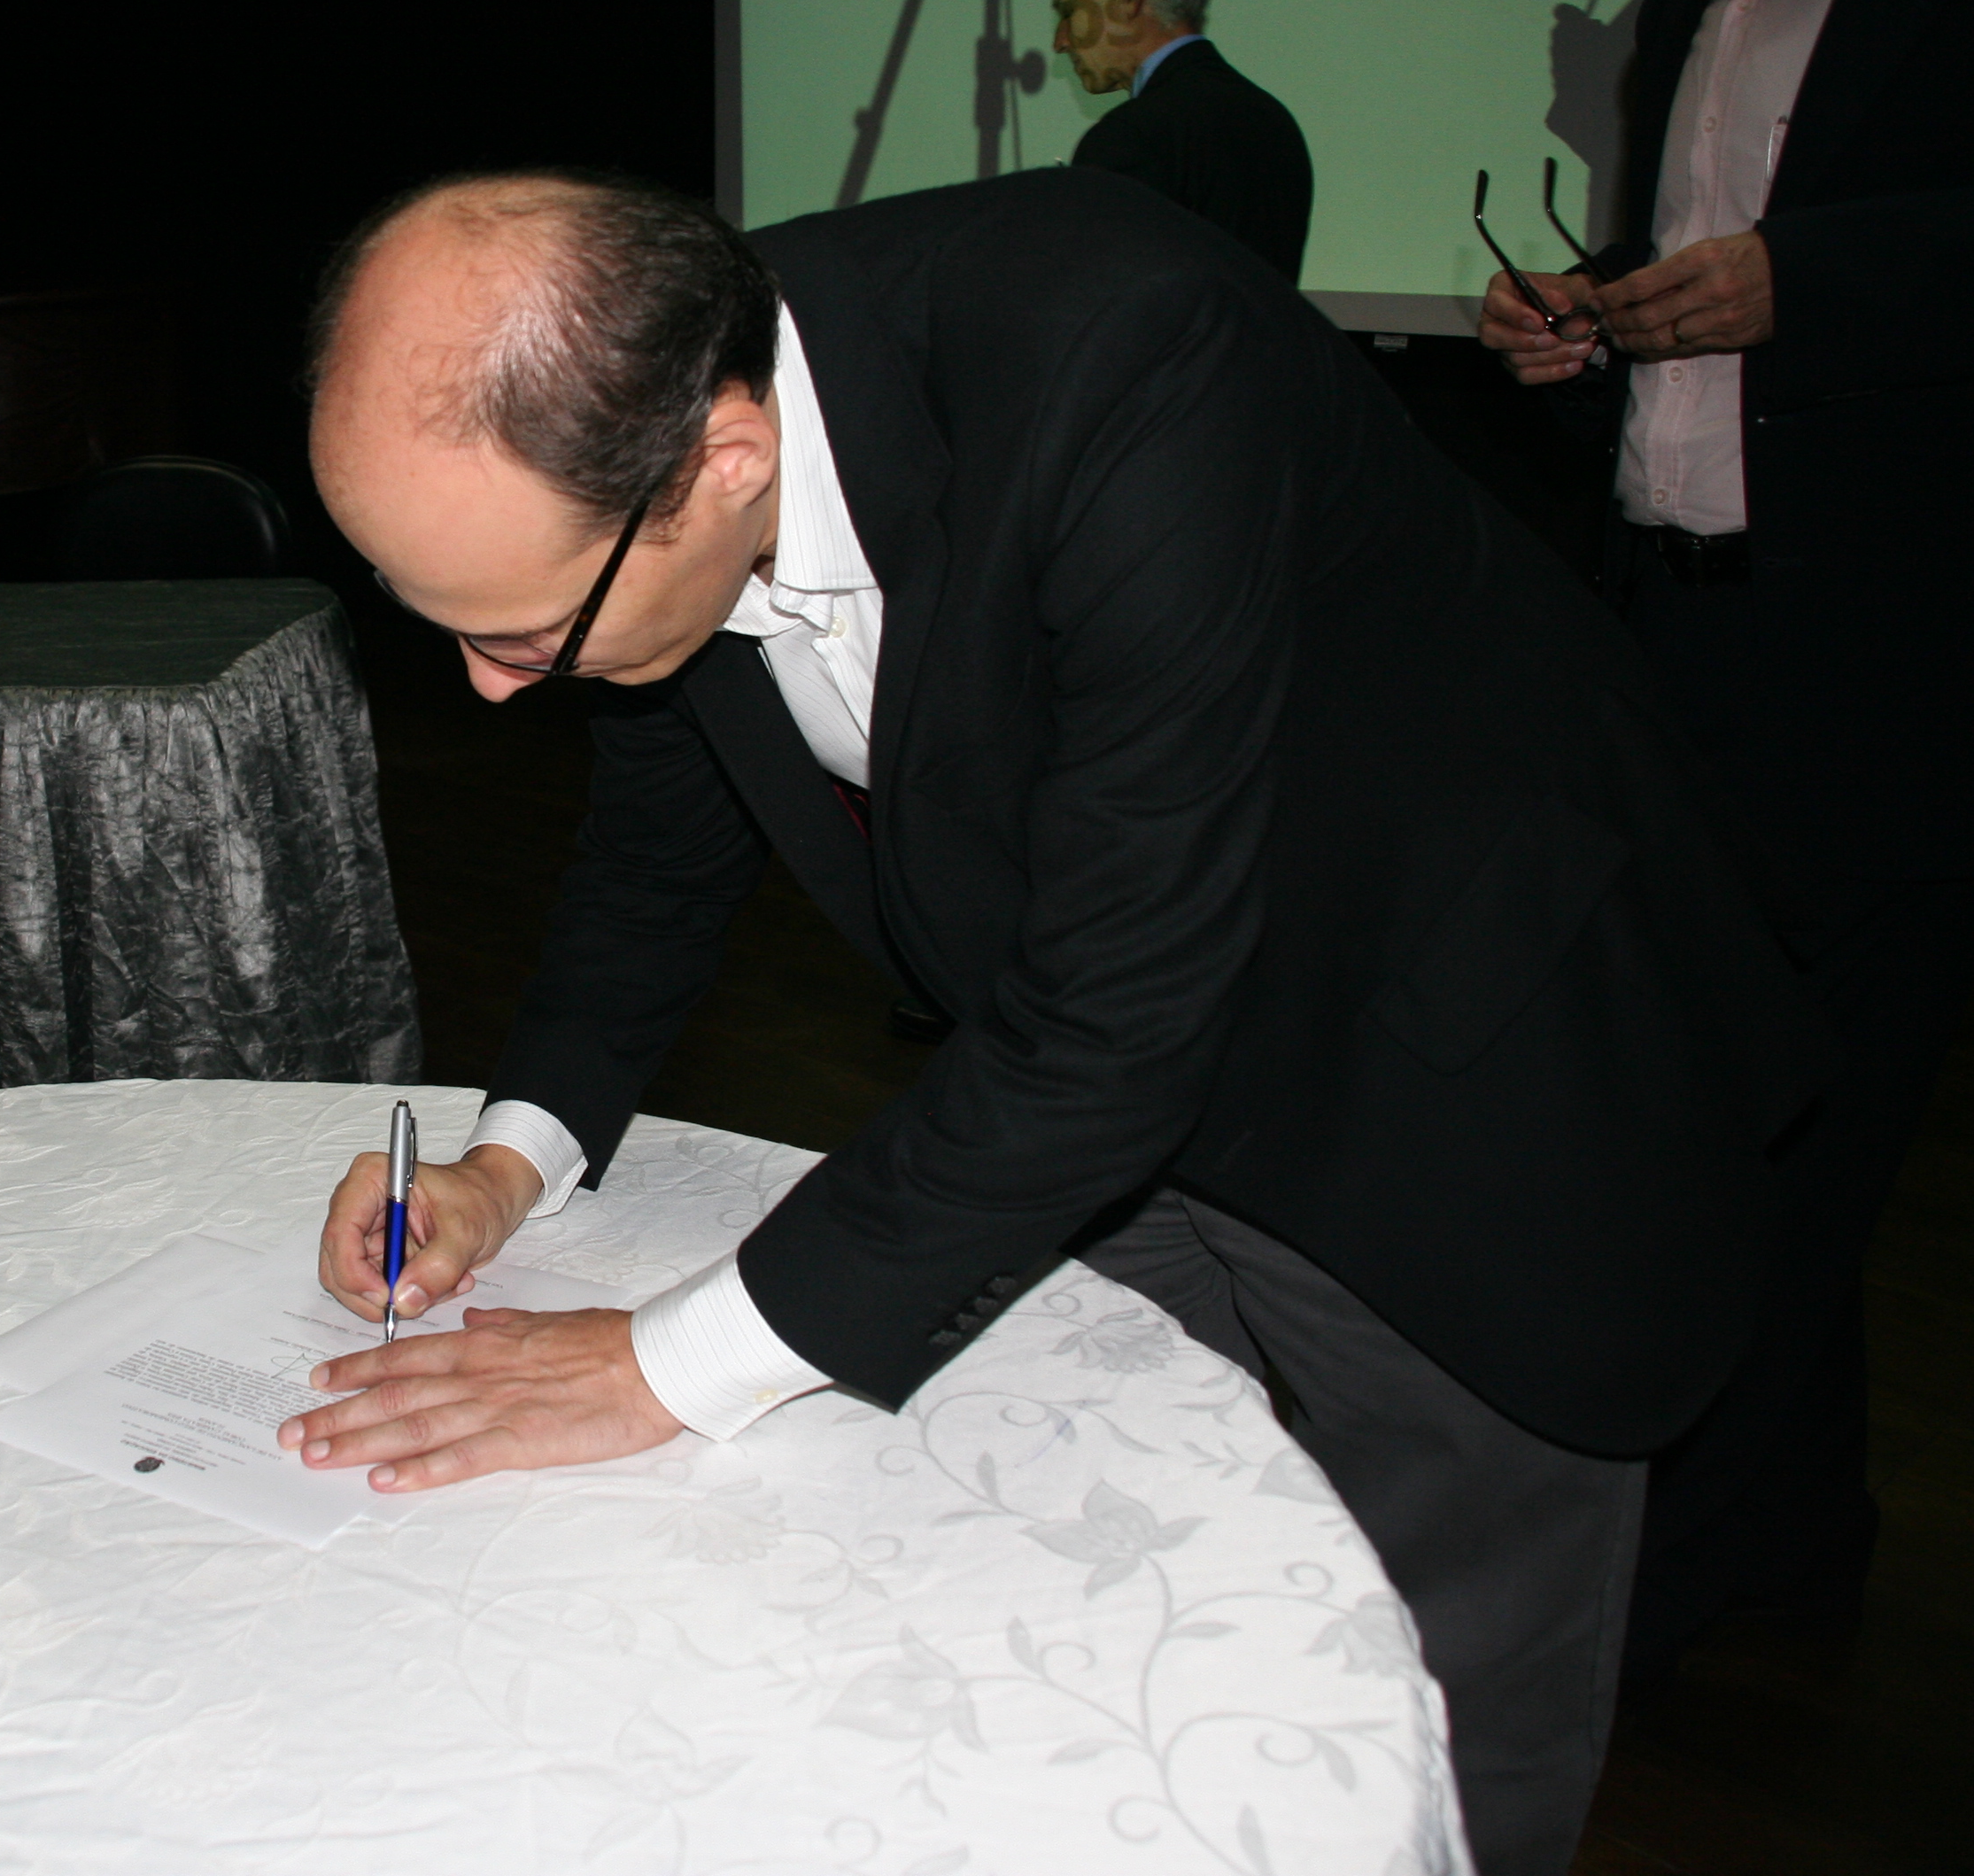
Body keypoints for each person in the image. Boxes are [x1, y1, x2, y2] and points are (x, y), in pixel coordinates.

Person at [281, 167, 1823, 1876]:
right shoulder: (645, 400)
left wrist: (658, 1364)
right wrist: (507, 1164)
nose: (492, 688)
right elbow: (657, 856)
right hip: (1103, 1045)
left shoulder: (1123, 352)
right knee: (1073, 1548)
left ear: (724, 459)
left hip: (1455, 1046)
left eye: (519, 631)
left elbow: (1115, 1018)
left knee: (1438, 1687)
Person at [1476, 0, 1970, 1685]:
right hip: (1678, 635)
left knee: (1773, 1134)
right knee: (1736, 1110)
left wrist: (1807, 283)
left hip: (1880, 660)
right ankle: (1788, 1549)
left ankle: (1674, 1578)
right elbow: (1690, 284)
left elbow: (1821, 265)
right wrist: (1580, 317)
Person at [1045, 0, 1312, 280]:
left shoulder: (1131, 137)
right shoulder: (1274, 122)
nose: (1061, 41)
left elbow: (1102, 301)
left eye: (1070, 12)